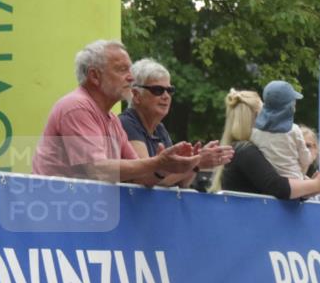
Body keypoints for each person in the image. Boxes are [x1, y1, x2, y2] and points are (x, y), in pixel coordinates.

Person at [32, 40, 205, 183]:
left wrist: (165, 168)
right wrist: (157, 163)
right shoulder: (76, 106)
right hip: (57, 209)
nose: (131, 77)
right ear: (94, 76)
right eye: (122, 69)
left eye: (129, 70)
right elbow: (97, 170)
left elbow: (139, 177)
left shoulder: (113, 120)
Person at [213, 88, 320, 200]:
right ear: (258, 115)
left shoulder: (243, 149)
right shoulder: (245, 151)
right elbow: (278, 187)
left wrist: (316, 186)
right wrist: (317, 184)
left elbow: (278, 190)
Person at [120, 58, 231, 188]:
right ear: (136, 95)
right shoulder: (127, 123)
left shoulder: (159, 129)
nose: (166, 96)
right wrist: (197, 162)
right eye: (158, 90)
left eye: (170, 90)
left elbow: (181, 182)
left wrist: (194, 163)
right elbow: (145, 178)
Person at [249, 81, 311, 179]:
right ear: (290, 107)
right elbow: (306, 160)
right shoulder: (294, 130)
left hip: (265, 182)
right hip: (294, 182)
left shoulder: (254, 131)